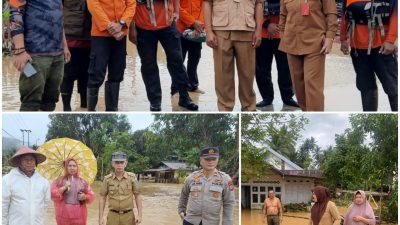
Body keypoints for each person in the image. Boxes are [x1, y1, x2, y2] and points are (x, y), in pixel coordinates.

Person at [129, 0, 199, 112]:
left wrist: (177, 12)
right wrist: (131, 27)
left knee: (177, 62)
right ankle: (155, 102)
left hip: (168, 25)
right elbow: (130, 3)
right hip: (143, 27)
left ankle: (184, 97)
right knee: (148, 65)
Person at [9, 0, 71, 111]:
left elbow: (59, 19)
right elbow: (15, 14)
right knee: (31, 101)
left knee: (50, 101)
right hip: (34, 55)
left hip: (57, 55)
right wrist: (19, 50)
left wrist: (65, 46)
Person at [203, 0, 263, 111]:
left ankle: (249, 109)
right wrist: (208, 31)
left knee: (247, 76)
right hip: (220, 31)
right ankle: (225, 110)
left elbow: (259, 3)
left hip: (246, 30)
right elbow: (207, 3)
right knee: (222, 77)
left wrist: (259, 30)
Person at [279, 0, 338, 111]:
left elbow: (331, 13)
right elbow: (283, 15)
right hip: (292, 42)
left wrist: (330, 37)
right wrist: (283, 36)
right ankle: (306, 113)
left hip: (315, 42)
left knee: (312, 84)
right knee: (298, 86)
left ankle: (316, 116)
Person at [340, 0, 398, 111]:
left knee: (393, 87)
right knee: (366, 87)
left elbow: (396, 12)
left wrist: (391, 39)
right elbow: (344, 14)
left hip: (382, 46)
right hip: (358, 48)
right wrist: (343, 38)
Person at [86, 0, 136, 111]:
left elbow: (131, 4)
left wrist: (122, 23)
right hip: (100, 33)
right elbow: (93, 5)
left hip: (121, 33)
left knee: (116, 74)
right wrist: (109, 26)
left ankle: (112, 110)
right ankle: (91, 111)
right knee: (96, 73)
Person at [255, 0, 298, 109]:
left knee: (286, 69)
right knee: (262, 70)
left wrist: (278, 27)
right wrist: (267, 24)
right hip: (262, 35)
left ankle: (288, 97)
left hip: (283, 34)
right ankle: (267, 97)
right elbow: (253, 7)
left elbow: (294, 9)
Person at [178, 147, 235, 225]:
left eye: (213, 159)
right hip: (190, 221)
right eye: (207, 159)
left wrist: (227, 223)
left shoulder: (226, 179)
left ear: (217, 160)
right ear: (201, 161)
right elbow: (184, 194)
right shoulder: (191, 178)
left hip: (211, 222)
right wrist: (181, 209)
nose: (210, 162)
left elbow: (229, 203)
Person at [2, 146, 51, 225]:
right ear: (20, 162)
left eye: (32, 159)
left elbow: (46, 202)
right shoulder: (8, 180)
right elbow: (3, 204)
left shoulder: (43, 182)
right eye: (26, 159)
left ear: (36, 162)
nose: (29, 162)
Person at [61, 0, 92, 111]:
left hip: (91, 38)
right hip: (69, 38)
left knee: (87, 75)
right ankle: (66, 107)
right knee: (67, 75)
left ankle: (84, 105)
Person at [99, 151, 143, 225]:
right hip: (112, 216)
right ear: (112, 164)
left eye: (121, 162)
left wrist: (140, 215)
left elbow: (138, 196)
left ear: (125, 163)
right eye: (117, 162)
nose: (119, 165)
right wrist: (100, 217)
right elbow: (102, 197)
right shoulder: (107, 179)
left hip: (128, 216)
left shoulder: (133, 178)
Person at [172, 0, 206, 95]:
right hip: (180, 28)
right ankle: (176, 88)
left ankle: (193, 85)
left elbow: (204, 8)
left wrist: (200, 26)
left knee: (195, 58)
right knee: (179, 60)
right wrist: (192, 22)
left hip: (197, 30)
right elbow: (177, 7)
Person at [51, 158, 95, 225]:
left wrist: (85, 196)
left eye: (74, 166)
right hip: (63, 215)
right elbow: (52, 194)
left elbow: (91, 194)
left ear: (77, 167)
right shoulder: (59, 181)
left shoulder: (83, 181)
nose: (72, 168)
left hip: (79, 215)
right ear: (66, 167)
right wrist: (64, 188)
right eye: (70, 166)